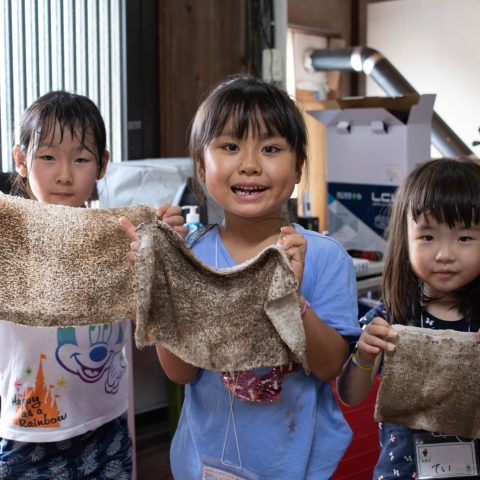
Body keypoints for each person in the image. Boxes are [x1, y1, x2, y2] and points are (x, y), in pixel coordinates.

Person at [122, 74, 361, 479]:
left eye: (270, 148)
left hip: (296, 466)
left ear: (299, 167)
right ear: (202, 166)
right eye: (230, 147)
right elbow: (182, 373)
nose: (249, 165)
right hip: (206, 463)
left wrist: (290, 298)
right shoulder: (193, 255)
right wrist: (162, 286)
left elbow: (328, 367)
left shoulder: (324, 258)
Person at [0, 91, 186, 479]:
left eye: (81, 159)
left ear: (102, 165)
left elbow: (154, 318)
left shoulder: (123, 236)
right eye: (47, 157)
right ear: (20, 160)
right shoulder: (8, 237)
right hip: (25, 432)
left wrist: (164, 248)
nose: (64, 174)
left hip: (107, 424)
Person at [336, 158, 480, 480]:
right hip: (401, 472)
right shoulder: (390, 318)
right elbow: (351, 396)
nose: (445, 254)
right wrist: (363, 355)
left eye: (465, 238)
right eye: (428, 237)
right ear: (406, 238)